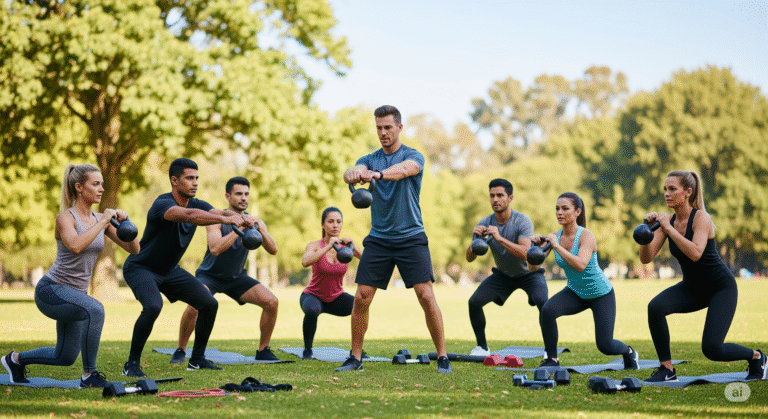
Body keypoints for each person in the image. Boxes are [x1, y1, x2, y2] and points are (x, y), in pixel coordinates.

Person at [2, 164, 140, 388]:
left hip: (76, 294)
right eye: (95, 184)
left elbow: (134, 249)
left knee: (64, 357)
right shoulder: (66, 218)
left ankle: (14, 360)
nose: (101, 189)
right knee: (95, 309)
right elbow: (75, 245)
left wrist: (126, 225)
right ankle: (89, 376)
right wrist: (103, 221)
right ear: (79, 187)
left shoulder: (99, 219)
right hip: (51, 291)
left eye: (103, 184)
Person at [337, 105, 452, 373]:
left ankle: (443, 356)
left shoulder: (413, 156)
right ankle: (355, 358)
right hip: (379, 238)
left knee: (425, 295)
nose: (383, 132)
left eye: (388, 127)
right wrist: (353, 173)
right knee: (362, 297)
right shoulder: (370, 158)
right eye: (378, 128)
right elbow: (351, 171)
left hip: (411, 236)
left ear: (399, 127)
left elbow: (404, 170)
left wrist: (376, 175)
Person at [121, 158, 248, 377]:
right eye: (189, 178)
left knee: (209, 303)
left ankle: (197, 360)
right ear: (174, 180)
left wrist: (243, 218)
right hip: (142, 267)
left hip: (169, 270)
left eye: (196, 178)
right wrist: (227, 221)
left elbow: (220, 212)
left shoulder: (197, 204)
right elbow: (191, 216)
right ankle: (131, 364)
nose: (195, 183)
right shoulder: (163, 204)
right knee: (153, 306)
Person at [639, 170, 766, 382]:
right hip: (692, 288)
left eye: (672, 189)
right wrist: (646, 232)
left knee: (712, 349)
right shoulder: (667, 223)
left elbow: (696, 253)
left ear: (688, 192)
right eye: (665, 189)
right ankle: (667, 369)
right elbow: (646, 258)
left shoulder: (701, 218)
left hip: (720, 288)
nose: (667, 194)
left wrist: (669, 229)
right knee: (656, 307)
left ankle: (757, 357)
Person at [169, 177, 280, 364]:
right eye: (239, 194)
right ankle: (181, 349)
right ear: (228, 196)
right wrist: (237, 229)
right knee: (195, 305)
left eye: (246, 194)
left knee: (271, 302)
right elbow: (215, 248)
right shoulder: (216, 220)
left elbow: (273, 250)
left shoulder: (254, 220)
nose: (243, 198)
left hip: (236, 278)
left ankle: (263, 350)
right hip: (209, 276)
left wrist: (261, 228)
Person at [534, 192, 638, 369]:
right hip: (575, 292)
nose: (560, 212)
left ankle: (629, 352)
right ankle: (552, 360)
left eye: (565, 208)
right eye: (557, 209)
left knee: (605, 345)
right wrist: (534, 249)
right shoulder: (554, 237)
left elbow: (581, 265)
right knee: (548, 310)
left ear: (577, 212)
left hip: (600, 294)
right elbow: (532, 268)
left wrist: (556, 246)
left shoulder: (586, 236)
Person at [465, 179, 548, 356]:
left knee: (543, 303)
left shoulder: (522, 221)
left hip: (530, 274)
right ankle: (482, 348)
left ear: (510, 198)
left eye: (500, 195)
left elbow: (526, 253)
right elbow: (470, 258)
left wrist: (499, 237)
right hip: (503, 275)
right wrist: (474, 241)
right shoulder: (485, 222)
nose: (495, 199)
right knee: (474, 302)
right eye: (492, 196)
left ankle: (550, 351)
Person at [299, 207, 363, 360]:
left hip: (336, 298)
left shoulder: (345, 248)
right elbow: (305, 262)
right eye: (331, 221)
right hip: (313, 296)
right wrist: (328, 246)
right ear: (323, 225)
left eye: (339, 222)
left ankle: (357, 350)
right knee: (312, 310)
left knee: (361, 306)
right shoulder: (314, 245)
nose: (335, 225)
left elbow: (370, 260)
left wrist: (353, 247)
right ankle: (308, 349)